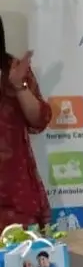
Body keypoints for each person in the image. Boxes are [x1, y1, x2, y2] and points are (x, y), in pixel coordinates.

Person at [0, 19, 52, 229]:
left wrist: (18, 86)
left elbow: (39, 120)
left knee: (21, 247)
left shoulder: (12, 69)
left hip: (13, 190)